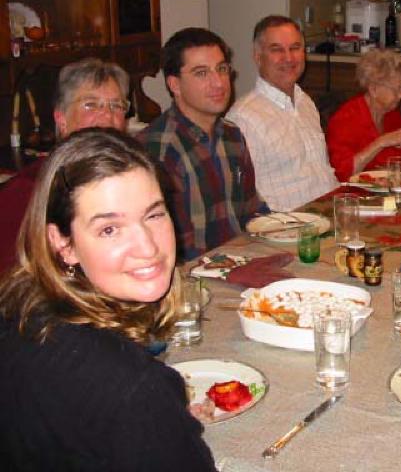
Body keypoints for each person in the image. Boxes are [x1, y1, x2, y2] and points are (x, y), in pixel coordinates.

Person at [0, 128, 216, 470]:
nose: (148, 248)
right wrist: (155, 418)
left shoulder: (21, 311)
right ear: (63, 243)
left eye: (154, 215)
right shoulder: (134, 388)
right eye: (109, 229)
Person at [139, 27, 267, 261]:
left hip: (243, 259)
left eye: (221, 69)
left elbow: (252, 213)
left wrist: (290, 229)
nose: (218, 83)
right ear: (174, 85)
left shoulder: (232, 136)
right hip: (195, 277)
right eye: (201, 73)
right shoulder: (159, 150)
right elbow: (170, 250)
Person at [0, 58, 130, 275]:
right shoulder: (27, 191)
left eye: (116, 105)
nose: (108, 116)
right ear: (61, 119)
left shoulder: (129, 179)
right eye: (91, 104)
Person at [227, 15, 339, 211]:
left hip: (329, 213)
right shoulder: (243, 118)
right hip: (288, 228)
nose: (288, 58)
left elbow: (321, 171)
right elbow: (243, 198)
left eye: (295, 48)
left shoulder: (305, 102)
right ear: (258, 57)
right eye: (276, 49)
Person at [326, 49, 401, 181]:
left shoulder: (390, 114)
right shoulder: (345, 120)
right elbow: (341, 174)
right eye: (397, 89)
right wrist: (380, 143)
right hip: (357, 197)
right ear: (374, 89)